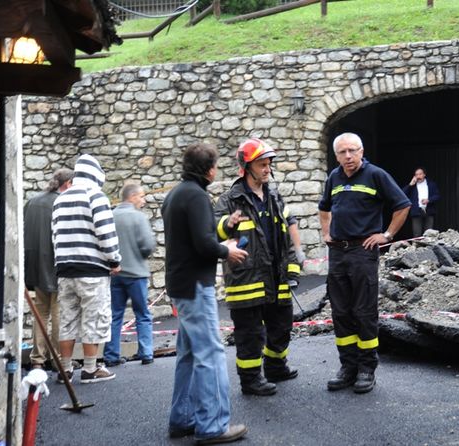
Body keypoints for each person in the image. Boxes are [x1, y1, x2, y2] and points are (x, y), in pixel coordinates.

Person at [162, 142, 248, 444]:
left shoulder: (175, 194)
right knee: (210, 354)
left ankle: (182, 418)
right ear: (209, 169)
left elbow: (198, 232)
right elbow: (203, 244)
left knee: (188, 355)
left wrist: (224, 227)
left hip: (179, 285)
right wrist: (229, 250)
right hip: (196, 286)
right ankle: (212, 426)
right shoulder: (197, 196)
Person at [318, 132, 410, 394]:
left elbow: (402, 205)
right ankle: (348, 367)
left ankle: (367, 368)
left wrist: (387, 235)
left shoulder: (376, 175)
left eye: (353, 151)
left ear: (361, 151)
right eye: (343, 152)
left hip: (362, 251)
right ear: (336, 156)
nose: (348, 156)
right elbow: (324, 207)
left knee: (363, 311)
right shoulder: (333, 178)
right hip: (338, 252)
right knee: (341, 311)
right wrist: (326, 232)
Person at [215, 138, 302, 396]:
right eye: (261, 164)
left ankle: (276, 366)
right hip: (247, 279)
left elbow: (287, 234)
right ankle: (251, 380)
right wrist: (228, 225)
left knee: (281, 326)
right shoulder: (230, 200)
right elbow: (214, 233)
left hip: (276, 277)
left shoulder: (274, 196)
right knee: (250, 334)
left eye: (268, 164)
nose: (267, 169)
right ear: (246, 166)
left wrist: (293, 269)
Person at [52, 154, 120, 384]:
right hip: (91, 269)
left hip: (64, 268)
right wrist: (114, 260)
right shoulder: (96, 196)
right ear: (96, 175)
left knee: (68, 319)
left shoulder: (59, 199)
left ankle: (66, 369)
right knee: (94, 316)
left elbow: (55, 236)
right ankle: (91, 369)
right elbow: (105, 232)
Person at [24, 168, 74, 369]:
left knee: (41, 313)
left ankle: (37, 359)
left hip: (35, 266)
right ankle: (59, 360)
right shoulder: (61, 202)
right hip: (56, 266)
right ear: (68, 184)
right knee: (59, 314)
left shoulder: (32, 201)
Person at [103, 183, 156, 367]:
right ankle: (146, 352)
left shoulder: (111, 216)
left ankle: (111, 355)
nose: (143, 200)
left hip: (115, 274)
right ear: (132, 197)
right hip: (136, 274)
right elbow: (148, 245)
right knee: (142, 314)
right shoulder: (138, 217)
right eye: (141, 196)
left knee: (115, 315)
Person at [402, 167, 440, 237]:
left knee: (429, 234)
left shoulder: (431, 184)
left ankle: (429, 248)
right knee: (417, 234)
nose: (418, 176)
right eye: (416, 175)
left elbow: (437, 196)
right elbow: (402, 194)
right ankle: (417, 248)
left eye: (420, 174)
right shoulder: (412, 186)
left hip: (428, 210)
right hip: (416, 211)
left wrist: (429, 200)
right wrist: (410, 185)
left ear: (424, 174)